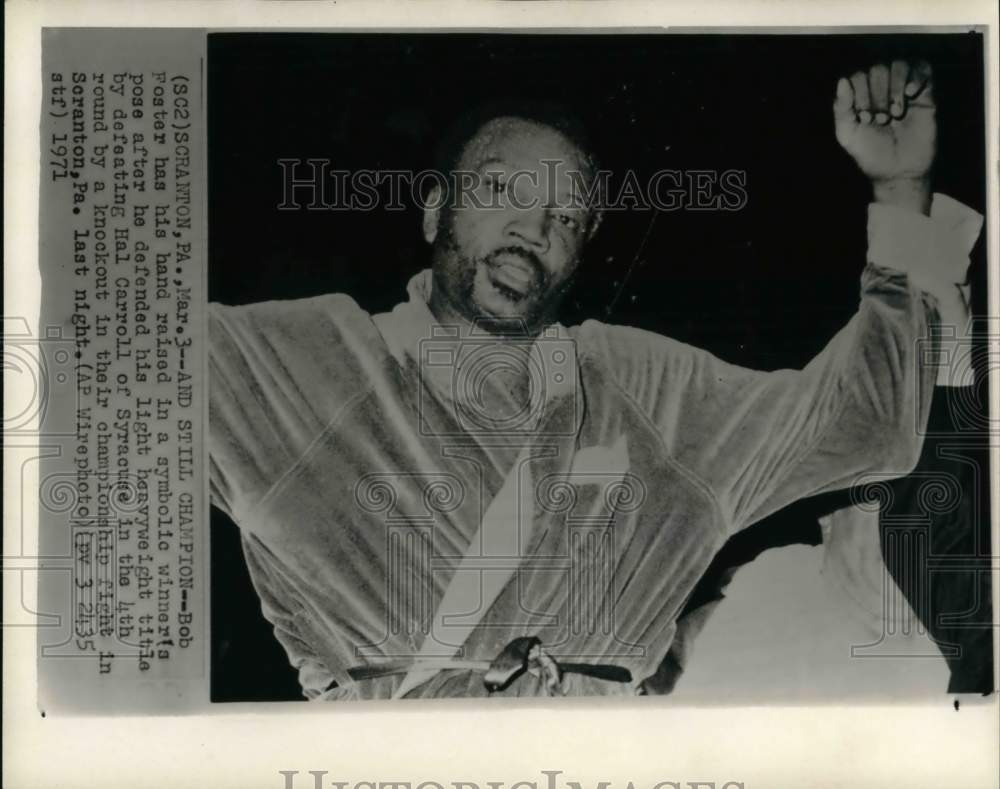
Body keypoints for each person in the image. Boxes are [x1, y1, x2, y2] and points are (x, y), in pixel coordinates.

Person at [209, 60, 982, 699]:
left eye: (567, 217)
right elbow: (105, 362)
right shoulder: (302, 363)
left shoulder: (644, 391)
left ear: (578, 257)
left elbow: (866, 423)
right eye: (503, 192)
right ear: (434, 211)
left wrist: (901, 191)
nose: (533, 229)